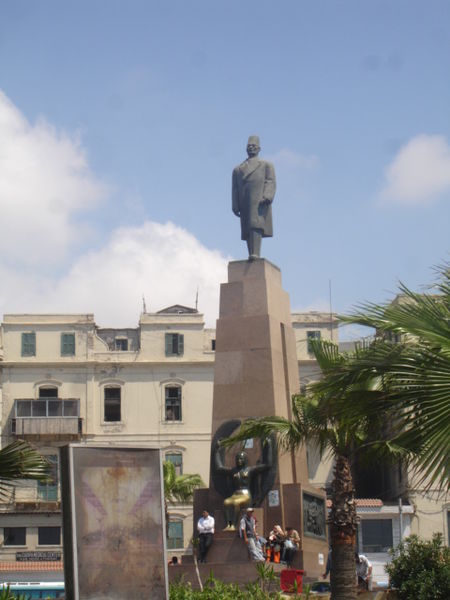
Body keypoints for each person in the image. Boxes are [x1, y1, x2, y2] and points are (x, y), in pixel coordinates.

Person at [232, 135, 276, 260]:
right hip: (244, 200)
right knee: (247, 227)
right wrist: (235, 204)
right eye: (249, 146)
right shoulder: (238, 169)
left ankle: (255, 253)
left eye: (254, 146)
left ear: (259, 148)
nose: (251, 148)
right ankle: (251, 252)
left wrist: (267, 196)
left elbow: (270, 181)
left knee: (256, 224)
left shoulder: (266, 165)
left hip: (258, 200)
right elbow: (235, 188)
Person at [214, 443, 273, 529]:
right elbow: (219, 468)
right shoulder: (233, 471)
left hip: (246, 495)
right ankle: (229, 524)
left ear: (245, 460)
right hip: (235, 494)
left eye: (241, 459)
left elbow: (267, 465)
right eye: (237, 459)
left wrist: (269, 446)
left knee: (235, 503)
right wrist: (216, 451)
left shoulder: (250, 470)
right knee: (226, 503)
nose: (239, 460)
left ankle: (233, 525)